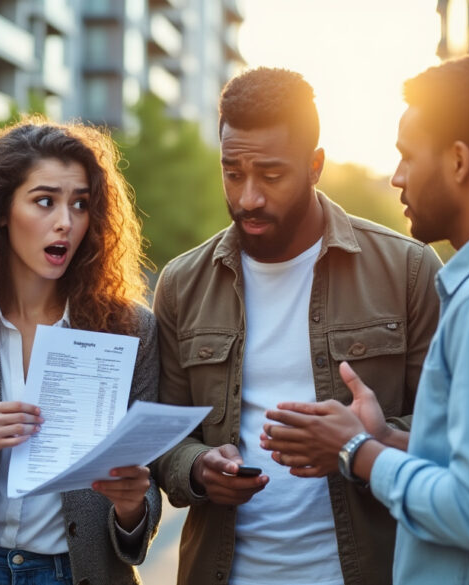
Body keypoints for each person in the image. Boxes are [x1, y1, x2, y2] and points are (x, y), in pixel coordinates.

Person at [262, 56, 469, 585]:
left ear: (459, 161)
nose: (396, 177)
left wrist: (355, 451)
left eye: (407, 157)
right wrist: (389, 439)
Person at [151, 67, 443, 585]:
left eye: (270, 174)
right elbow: (166, 437)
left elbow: (453, 435)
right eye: (232, 172)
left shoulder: (408, 271)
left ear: (314, 166)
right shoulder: (182, 284)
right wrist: (198, 467)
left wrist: (360, 443)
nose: (248, 198)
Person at [0, 118, 161, 585]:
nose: (66, 221)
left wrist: (130, 506)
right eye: (45, 201)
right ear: (0, 209)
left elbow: (144, 508)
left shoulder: (130, 330)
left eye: (80, 204)